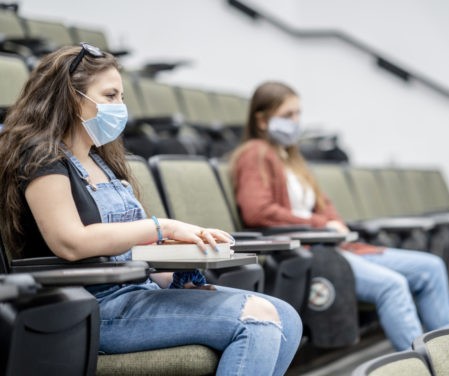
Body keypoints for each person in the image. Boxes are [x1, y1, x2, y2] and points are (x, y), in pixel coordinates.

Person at [0, 44, 302, 376]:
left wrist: (176, 271)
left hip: (137, 292)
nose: (120, 107)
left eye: (122, 97)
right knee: (257, 319)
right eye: (110, 95)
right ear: (73, 98)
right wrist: (163, 228)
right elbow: (70, 242)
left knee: (286, 317)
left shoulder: (104, 161)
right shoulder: (42, 157)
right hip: (90, 306)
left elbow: (129, 250)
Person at [230, 81, 449, 351]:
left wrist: (331, 223)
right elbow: (258, 212)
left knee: (431, 268)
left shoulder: (292, 159)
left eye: (297, 113)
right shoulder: (254, 154)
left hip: (334, 245)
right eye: (287, 115)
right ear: (263, 120)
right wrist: (322, 225)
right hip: (307, 252)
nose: (296, 121)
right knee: (392, 286)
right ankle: (422, 366)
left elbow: (324, 204)